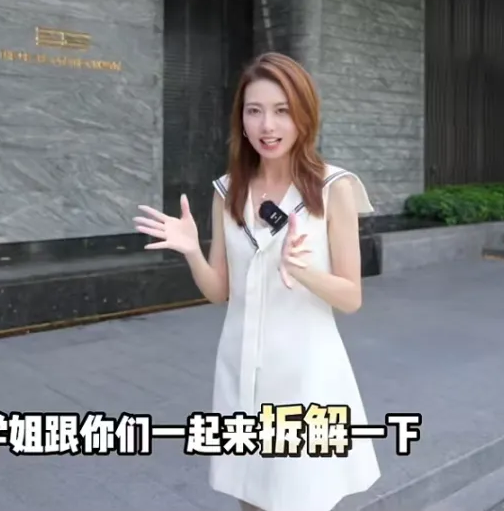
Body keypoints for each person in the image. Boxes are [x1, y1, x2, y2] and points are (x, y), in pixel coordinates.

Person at [132, 52, 381, 511]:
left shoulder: (333, 188)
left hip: (306, 375)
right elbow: (219, 292)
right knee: (250, 499)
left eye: (282, 110)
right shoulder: (228, 191)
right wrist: (192, 251)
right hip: (241, 369)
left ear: (304, 115)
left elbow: (351, 297)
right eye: (254, 110)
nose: (268, 125)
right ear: (241, 120)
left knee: (301, 498)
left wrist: (303, 271)